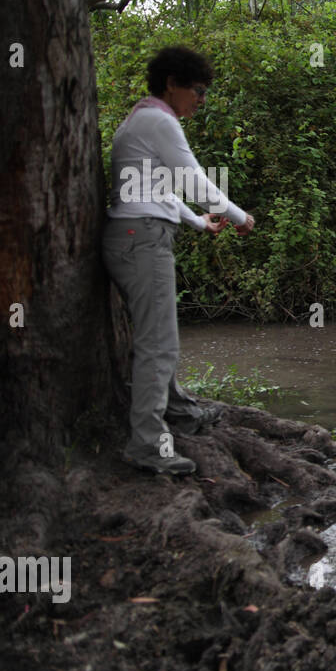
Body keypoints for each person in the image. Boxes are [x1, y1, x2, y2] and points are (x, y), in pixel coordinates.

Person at [103, 46, 256, 475]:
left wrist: (197, 222)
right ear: (171, 83)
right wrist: (238, 217)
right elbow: (192, 178)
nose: (201, 101)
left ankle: (179, 411)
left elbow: (162, 186)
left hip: (135, 235)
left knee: (156, 335)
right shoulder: (158, 121)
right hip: (142, 239)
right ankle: (146, 445)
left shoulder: (141, 119)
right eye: (198, 90)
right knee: (159, 343)